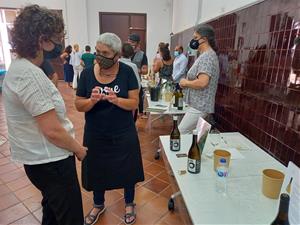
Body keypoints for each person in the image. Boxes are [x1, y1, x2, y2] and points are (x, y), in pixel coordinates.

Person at [2, 5, 87, 225]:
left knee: (52, 213)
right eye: (57, 37)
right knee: (70, 218)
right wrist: (78, 149)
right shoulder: (31, 75)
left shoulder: (19, 67)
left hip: (39, 162)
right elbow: (52, 130)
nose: (59, 43)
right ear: (42, 40)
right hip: (52, 162)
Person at [75, 32, 144, 225]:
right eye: (97, 51)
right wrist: (92, 100)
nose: (99, 56)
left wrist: (116, 100)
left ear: (117, 55)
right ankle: (98, 204)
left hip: (123, 132)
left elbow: (134, 103)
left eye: (105, 52)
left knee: (128, 169)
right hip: (96, 133)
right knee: (97, 169)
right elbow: (78, 104)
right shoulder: (87, 73)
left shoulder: (127, 72)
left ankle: (129, 203)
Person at [178, 24, 220, 134]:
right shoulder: (205, 55)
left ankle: (187, 151)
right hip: (198, 104)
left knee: (181, 131)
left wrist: (185, 82)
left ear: (204, 39)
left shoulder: (207, 57)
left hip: (201, 105)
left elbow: (202, 82)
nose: (193, 41)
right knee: (195, 134)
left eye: (196, 38)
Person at [128, 33, 148, 118]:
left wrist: (134, 69)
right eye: (129, 41)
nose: (130, 44)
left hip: (136, 83)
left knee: (135, 101)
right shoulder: (123, 53)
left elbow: (145, 71)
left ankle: (137, 116)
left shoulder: (142, 55)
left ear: (137, 43)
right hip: (123, 81)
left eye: (132, 42)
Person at [119, 42, 141, 122]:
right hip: (129, 98)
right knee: (130, 121)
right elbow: (138, 84)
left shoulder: (116, 63)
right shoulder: (133, 66)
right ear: (132, 54)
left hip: (117, 96)